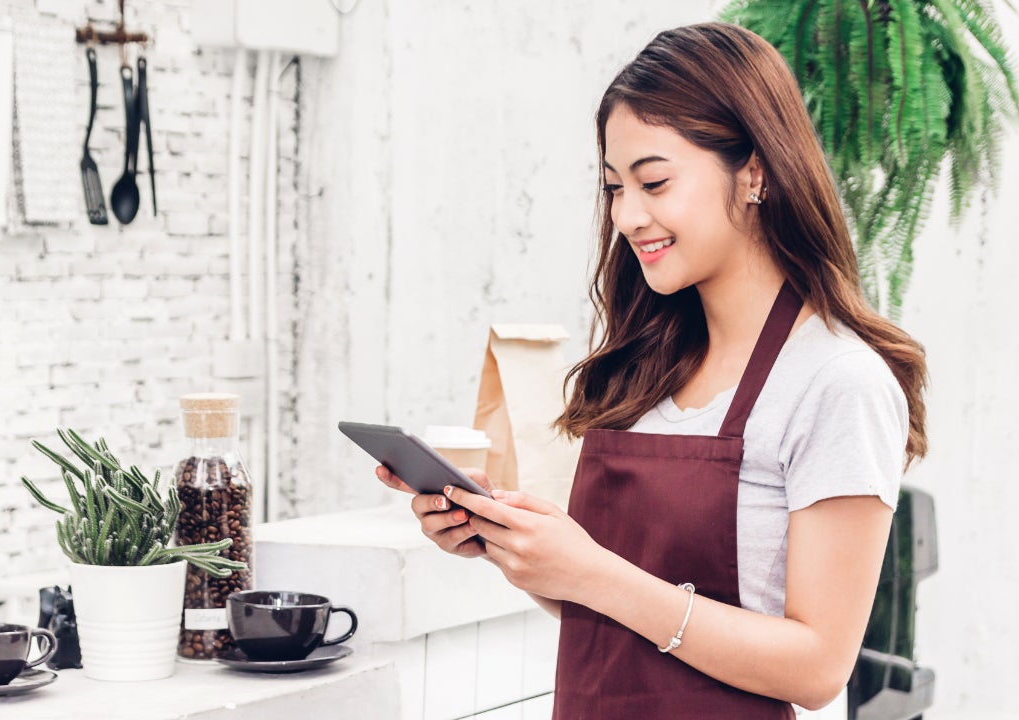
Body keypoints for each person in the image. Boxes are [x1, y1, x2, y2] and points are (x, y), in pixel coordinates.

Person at [375, 22, 928, 720]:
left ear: (754, 170)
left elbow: (817, 667)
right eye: (613, 187)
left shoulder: (837, 382)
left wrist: (592, 571)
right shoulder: (642, 372)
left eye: (654, 182)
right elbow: (607, 604)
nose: (628, 216)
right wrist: (502, 540)